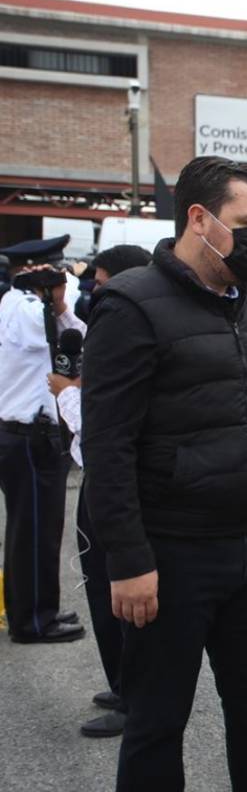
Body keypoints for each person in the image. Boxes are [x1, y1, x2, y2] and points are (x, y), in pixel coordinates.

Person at [82, 155, 247, 792]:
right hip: (173, 552)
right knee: (158, 720)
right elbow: (106, 444)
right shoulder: (131, 306)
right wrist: (127, 560)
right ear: (199, 219)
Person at [49, 244, 151, 738]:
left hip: (116, 486)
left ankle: (134, 696)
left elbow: (100, 433)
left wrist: (67, 395)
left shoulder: (130, 335)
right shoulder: (111, 329)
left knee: (123, 598)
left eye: (103, 283)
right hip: (106, 484)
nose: (95, 293)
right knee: (103, 594)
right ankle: (123, 682)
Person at [0, 235, 86, 645]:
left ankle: (37, 606)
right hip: (28, 434)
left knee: (39, 528)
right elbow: (47, 332)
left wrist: (59, 301)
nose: (67, 282)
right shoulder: (21, 307)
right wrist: (49, 296)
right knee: (33, 530)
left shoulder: (33, 307)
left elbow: (74, 331)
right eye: (59, 275)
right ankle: (33, 619)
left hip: (34, 434)